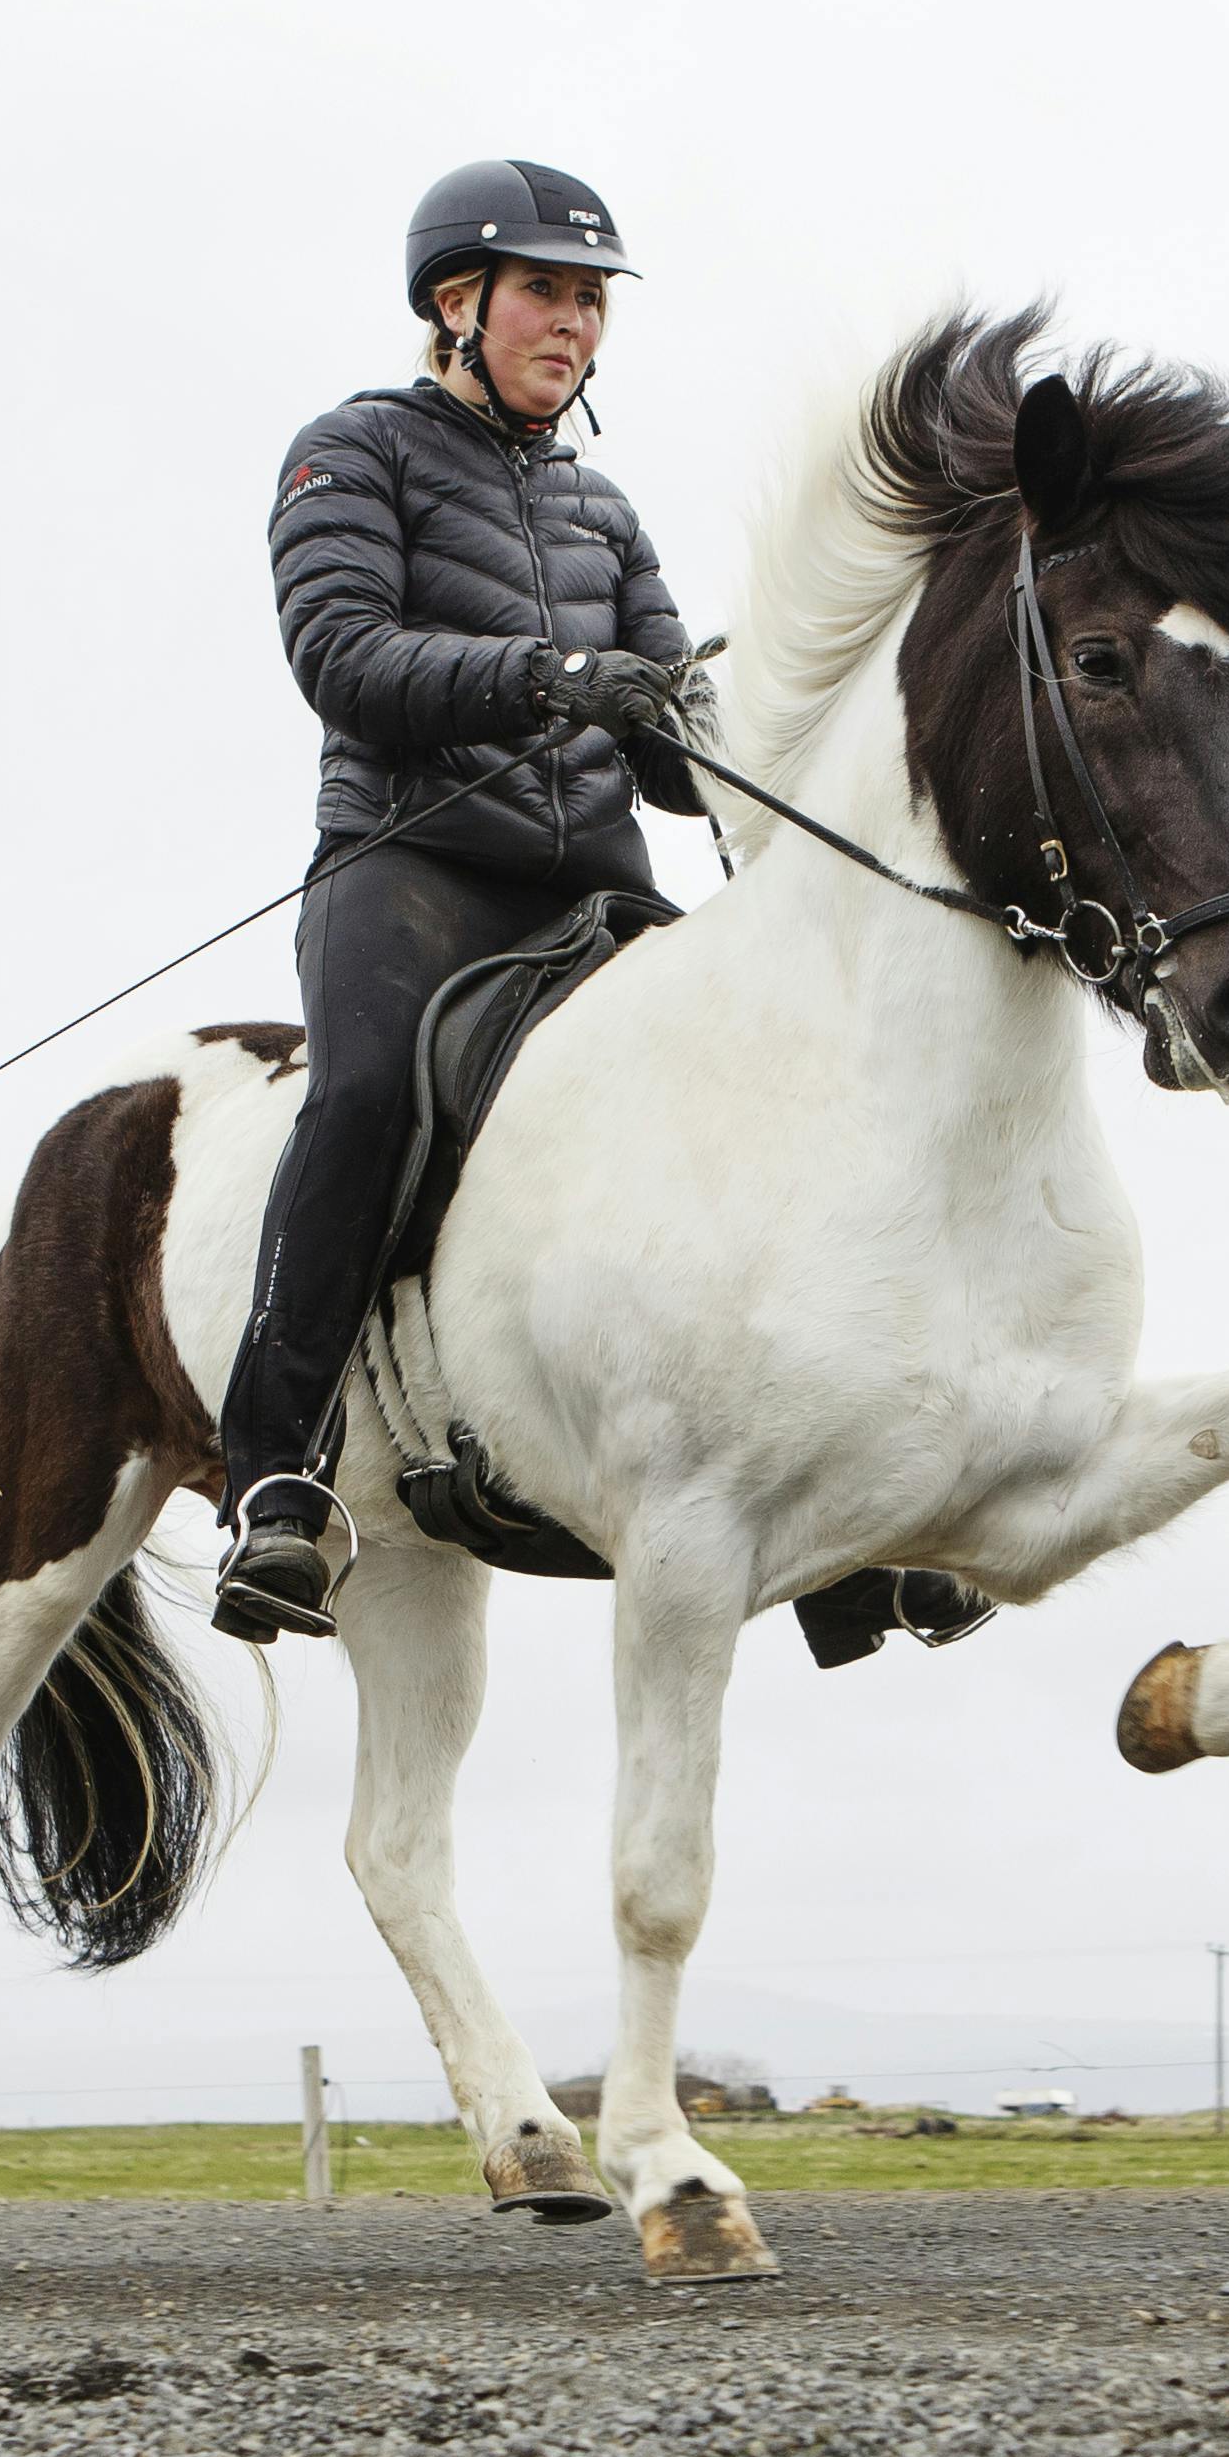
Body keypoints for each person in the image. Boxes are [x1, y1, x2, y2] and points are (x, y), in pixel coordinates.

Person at [213, 161, 988, 1666]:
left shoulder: (599, 506)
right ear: (458, 303)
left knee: (784, 1098)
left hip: (594, 882)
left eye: (590, 299)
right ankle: (276, 1476)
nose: (573, 323)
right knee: (367, 1097)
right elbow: (344, 655)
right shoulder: (349, 453)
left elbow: (671, 746)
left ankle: (845, 1521)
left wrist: (719, 731)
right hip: (412, 867)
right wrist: (550, 678)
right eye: (546, 293)